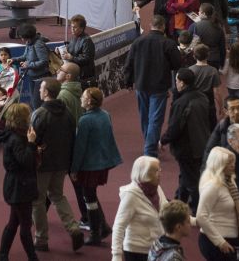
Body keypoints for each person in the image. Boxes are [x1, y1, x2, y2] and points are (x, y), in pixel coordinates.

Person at [30, 77, 85, 252]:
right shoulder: (67, 113)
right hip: (62, 163)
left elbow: (33, 139)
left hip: (42, 164)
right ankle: (73, 228)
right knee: (58, 196)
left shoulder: (39, 114)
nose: (39, 91)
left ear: (46, 92)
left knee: (37, 201)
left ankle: (41, 239)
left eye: (41, 89)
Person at [124, 15, 181, 157]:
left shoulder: (138, 42)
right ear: (163, 26)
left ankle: (150, 143)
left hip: (141, 84)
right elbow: (177, 64)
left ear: (151, 25)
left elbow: (129, 63)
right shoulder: (168, 43)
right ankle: (150, 151)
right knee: (155, 119)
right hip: (159, 86)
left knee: (145, 117)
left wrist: (128, 81)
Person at [71, 87, 122, 246]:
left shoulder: (85, 121)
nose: (81, 98)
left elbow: (80, 148)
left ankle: (95, 233)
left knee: (89, 197)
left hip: (89, 165)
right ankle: (103, 227)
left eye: (83, 97)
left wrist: (74, 169)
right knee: (90, 194)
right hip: (102, 162)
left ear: (89, 101)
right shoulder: (106, 115)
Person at [197, 146, 239, 261]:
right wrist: (220, 242)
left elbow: (238, 206)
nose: (232, 165)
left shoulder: (229, 180)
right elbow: (201, 216)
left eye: (233, 162)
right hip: (218, 243)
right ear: (218, 165)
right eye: (228, 163)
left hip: (234, 240)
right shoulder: (212, 186)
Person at [0, 103, 40, 261]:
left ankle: (3, 255)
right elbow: (26, 160)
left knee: (13, 223)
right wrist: (32, 143)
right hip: (21, 187)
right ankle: (32, 257)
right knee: (25, 226)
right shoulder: (17, 139)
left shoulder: (12, 136)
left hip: (17, 185)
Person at [162, 68, 211, 210]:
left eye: (176, 81)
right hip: (202, 144)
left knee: (191, 181)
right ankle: (179, 204)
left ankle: (197, 209)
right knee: (186, 176)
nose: (175, 84)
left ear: (182, 83)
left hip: (187, 148)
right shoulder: (203, 97)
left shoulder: (181, 103)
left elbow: (175, 128)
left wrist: (163, 140)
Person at [111, 156, 167, 261]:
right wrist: (116, 255)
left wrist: (194, 221)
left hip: (157, 249)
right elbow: (119, 226)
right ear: (144, 173)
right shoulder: (131, 195)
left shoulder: (157, 189)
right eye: (155, 171)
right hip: (137, 252)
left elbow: (168, 212)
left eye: (159, 170)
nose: (160, 174)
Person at [65, 15, 97, 86]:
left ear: (82, 28)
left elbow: (87, 59)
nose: (72, 29)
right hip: (75, 73)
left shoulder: (87, 41)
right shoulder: (74, 38)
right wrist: (61, 51)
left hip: (84, 76)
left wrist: (72, 58)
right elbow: (69, 51)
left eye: (75, 27)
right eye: (71, 26)